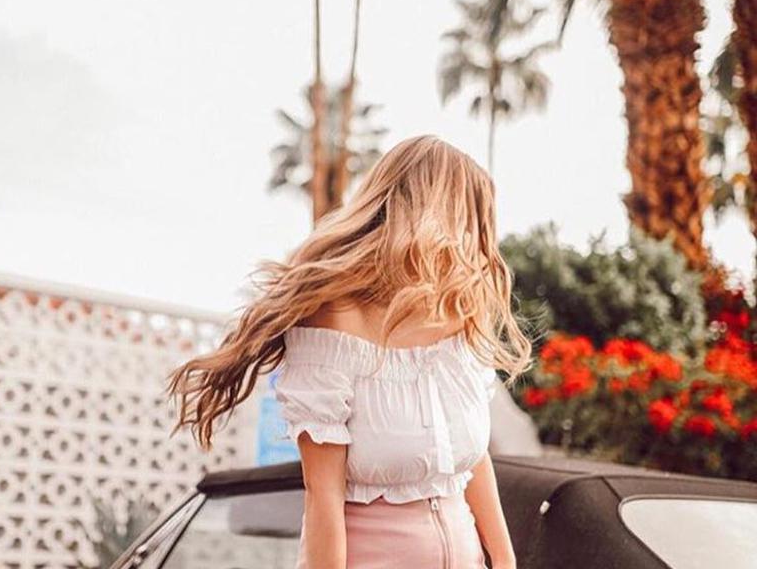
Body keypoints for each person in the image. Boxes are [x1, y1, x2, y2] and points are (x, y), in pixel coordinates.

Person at [168, 135, 531, 568]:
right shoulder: (334, 321)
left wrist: (505, 561)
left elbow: (471, 463)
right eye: (466, 219)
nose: (471, 240)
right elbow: (323, 497)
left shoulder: (458, 315)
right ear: (429, 214)